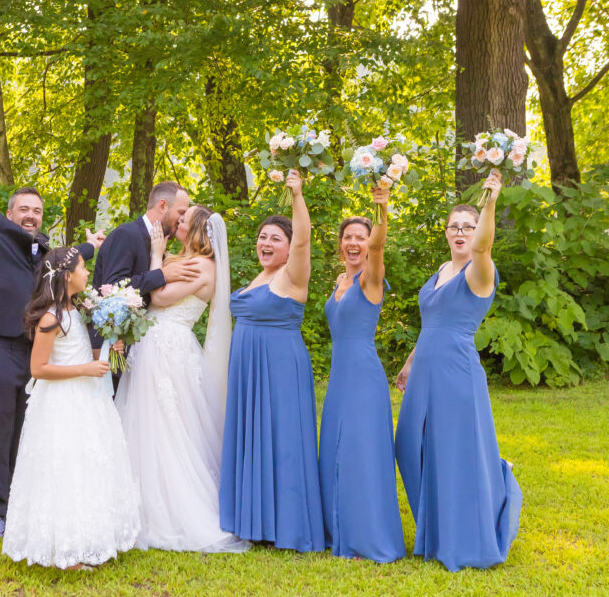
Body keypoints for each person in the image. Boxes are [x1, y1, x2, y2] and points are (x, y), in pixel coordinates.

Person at [0, 111, 102, 537]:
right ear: (8, 212)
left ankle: (22, 505)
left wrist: (90, 248)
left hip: (32, 352)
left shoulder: (41, 253)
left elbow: (67, 263)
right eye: (23, 209)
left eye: (37, 211)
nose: (30, 215)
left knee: (27, 430)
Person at [394, 170, 522, 571]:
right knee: (409, 445)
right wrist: (410, 361)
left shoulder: (478, 272)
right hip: (425, 372)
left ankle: (463, 533)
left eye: (469, 226)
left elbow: (483, 248)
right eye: (455, 227)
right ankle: (434, 528)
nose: (462, 232)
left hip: (455, 373)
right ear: (446, 232)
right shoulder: (440, 272)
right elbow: (432, 320)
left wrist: (491, 200)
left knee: (453, 453)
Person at [115, 204, 248, 553]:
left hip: (168, 347)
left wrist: (157, 256)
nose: (177, 223)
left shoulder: (202, 266)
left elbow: (158, 296)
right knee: (149, 422)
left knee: (166, 426)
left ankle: (171, 508)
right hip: (157, 344)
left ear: (199, 230)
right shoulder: (183, 259)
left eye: (184, 221)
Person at [2, 247, 141, 569]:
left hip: (85, 399)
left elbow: (79, 352)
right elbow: (38, 368)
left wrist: (107, 349)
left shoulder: (74, 311)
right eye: (82, 268)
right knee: (64, 469)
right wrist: (85, 370)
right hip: (61, 404)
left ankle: (86, 538)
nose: (87, 273)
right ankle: (62, 548)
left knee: (88, 466)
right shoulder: (51, 317)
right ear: (66, 277)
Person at [219, 170, 325, 552]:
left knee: (282, 437)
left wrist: (297, 195)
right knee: (252, 435)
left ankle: (288, 524)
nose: (266, 242)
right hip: (248, 368)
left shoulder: (292, 275)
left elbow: (304, 240)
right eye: (262, 236)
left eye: (275, 238)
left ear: (288, 246)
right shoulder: (256, 278)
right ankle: (252, 521)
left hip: (279, 366)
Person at [317, 187, 405, 562]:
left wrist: (382, 209)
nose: (354, 242)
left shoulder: (370, 278)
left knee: (361, 452)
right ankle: (337, 528)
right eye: (348, 237)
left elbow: (381, 250)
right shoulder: (339, 281)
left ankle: (366, 537)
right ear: (340, 244)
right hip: (339, 380)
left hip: (364, 379)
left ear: (369, 242)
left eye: (361, 237)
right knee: (335, 451)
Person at [90, 182, 201, 387]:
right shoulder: (127, 235)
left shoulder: (160, 244)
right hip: (111, 346)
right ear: (162, 206)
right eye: (181, 212)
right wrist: (162, 275)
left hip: (136, 351)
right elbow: (113, 288)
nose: (183, 220)